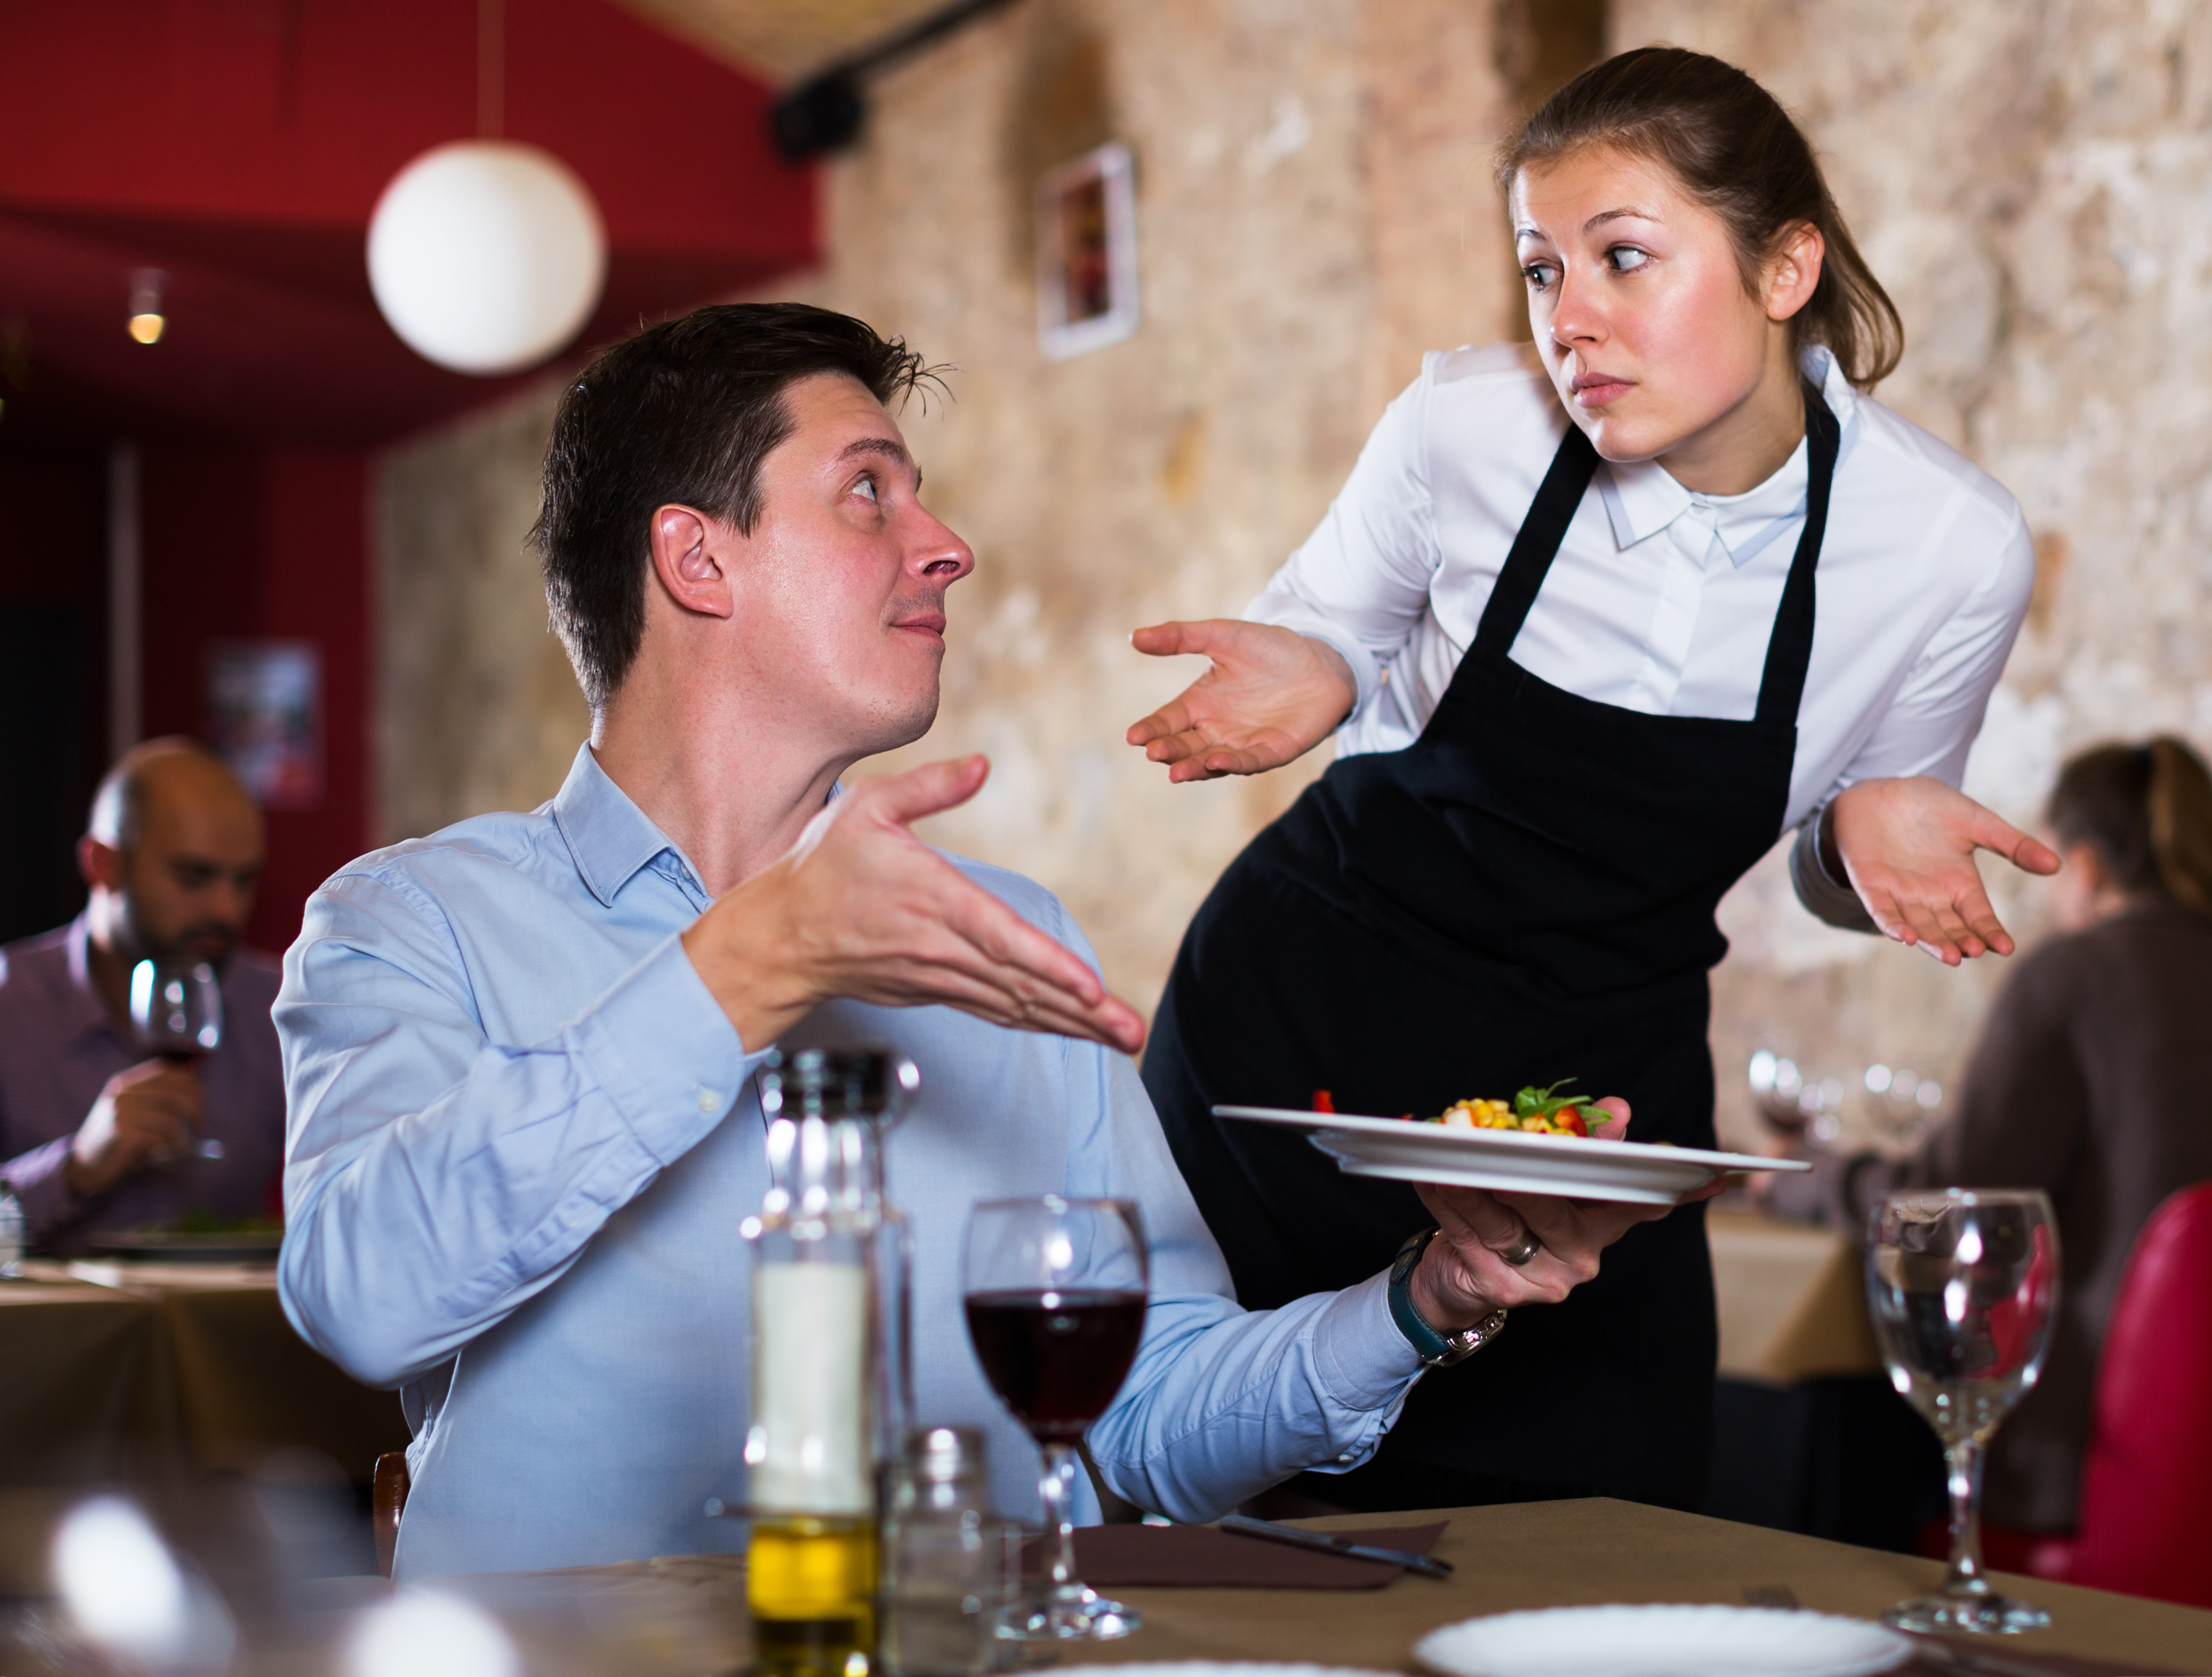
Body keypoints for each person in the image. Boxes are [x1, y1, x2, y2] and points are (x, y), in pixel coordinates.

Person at [274, 303, 1681, 1582]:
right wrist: (756, 964)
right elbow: (361, 1300)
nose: (944, 545)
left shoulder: (1014, 946)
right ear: (697, 559)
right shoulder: (414, 925)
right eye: (868, 492)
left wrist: (1418, 1304)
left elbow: (1145, 1414)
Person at [1126, 47, 2058, 1516]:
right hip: (1305, 1033)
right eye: (1540, 270)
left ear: (1783, 266)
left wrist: (1861, 833)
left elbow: (1849, 862)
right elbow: (1319, 630)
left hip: (1590, 1112)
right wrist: (1317, 667)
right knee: (1243, 1516)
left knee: (1603, 1523)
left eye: (1623, 259)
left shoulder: (1945, 546)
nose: (1572, 321)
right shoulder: (1460, 428)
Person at [1766, 737, 2212, 1534]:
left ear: (2080, 868)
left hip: (2093, 1470)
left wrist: (1794, 1177)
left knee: (1812, 1446)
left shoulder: (2077, 973)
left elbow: (1949, 1211)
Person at [0, 739, 283, 1251]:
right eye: (193, 876)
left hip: (223, 1330)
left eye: (244, 881)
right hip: (61, 1333)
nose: (225, 909)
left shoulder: (280, 1006)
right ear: (103, 865)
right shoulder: (11, 1006)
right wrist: (77, 1168)